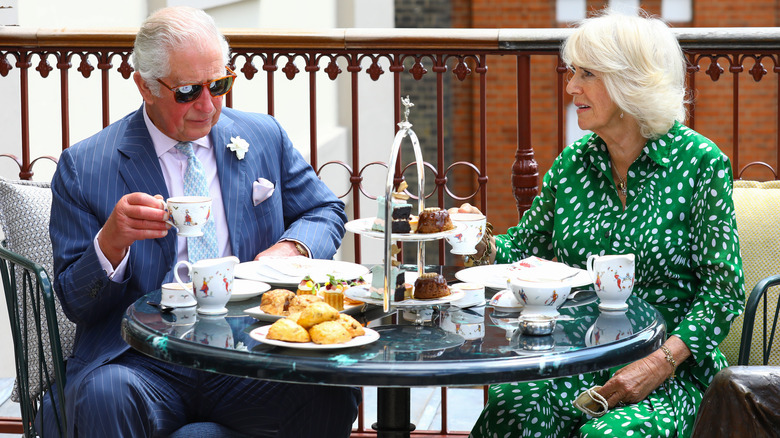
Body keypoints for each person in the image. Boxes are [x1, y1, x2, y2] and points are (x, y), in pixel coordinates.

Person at [48, 6, 359, 437]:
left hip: (246, 353)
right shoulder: (85, 167)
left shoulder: (263, 135)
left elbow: (323, 210)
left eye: (220, 84)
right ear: (145, 86)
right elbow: (75, 302)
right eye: (188, 91)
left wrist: (290, 251)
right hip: (142, 360)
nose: (208, 105)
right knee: (105, 395)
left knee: (329, 392)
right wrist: (111, 243)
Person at [465, 9, 744, 438]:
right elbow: (520, 250)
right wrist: (473, 235)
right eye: (573, 72)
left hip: (671, 371)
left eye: (587, 74)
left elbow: (723, 293)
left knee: (609, 435)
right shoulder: (572, 164)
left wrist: (657, 364)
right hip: (579, 361)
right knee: (511, 408)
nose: (570, 86)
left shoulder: (699, 163)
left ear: (632, 81)